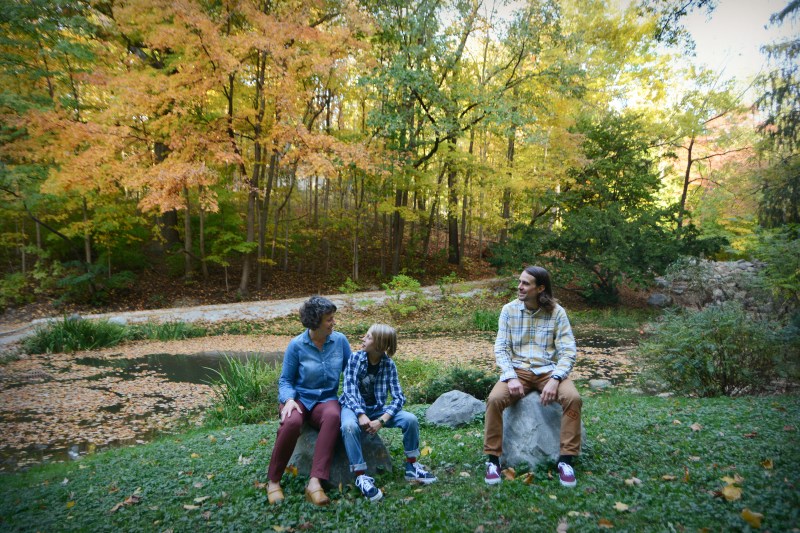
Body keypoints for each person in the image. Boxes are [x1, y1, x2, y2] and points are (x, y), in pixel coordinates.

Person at [483, 266, 582, 488]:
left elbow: (568, 351)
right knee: (494, 400)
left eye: (525, 283)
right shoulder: (508, 310)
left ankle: (566, 461)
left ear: (540, 288)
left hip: (548, 371)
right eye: (520, 282)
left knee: (573, 398)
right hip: (518, 371)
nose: (519, 287)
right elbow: (501, 348)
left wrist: (555, 380)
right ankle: (492, 460)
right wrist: (510, 377)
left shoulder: (557, 313)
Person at [266, 295, 352, 506]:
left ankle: (315, 482)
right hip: (299, 398)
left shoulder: (340, 341)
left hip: (326, 399)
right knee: (291, 422)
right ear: (315, 322)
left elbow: (352, 373)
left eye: (333, 318)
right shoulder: (296, 345)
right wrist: (288, 400)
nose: (333, 322)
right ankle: (273, 481)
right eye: (329, 319)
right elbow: (285, 380)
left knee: (333, 416)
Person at [339, 323, 437, 502]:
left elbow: (399, 398)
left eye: (368, 337)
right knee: (349, 427)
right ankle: (361, 476)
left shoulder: (389, 365)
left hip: (377, 410)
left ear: (380, 344)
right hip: (352, 408)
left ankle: (412, 466)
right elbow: (349, 391)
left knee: (410, 419)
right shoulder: (355, 358)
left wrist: (382, 420)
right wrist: (360, 414)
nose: (363, 338)